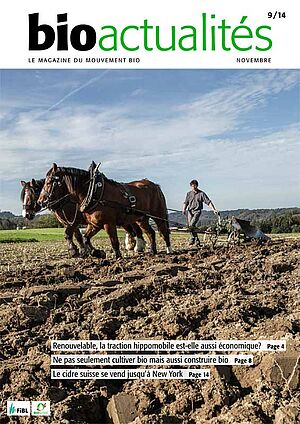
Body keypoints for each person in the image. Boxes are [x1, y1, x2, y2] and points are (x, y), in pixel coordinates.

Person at [183, 180, 219, 246]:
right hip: (190, 211)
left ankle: (192, 238)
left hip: (197, 211)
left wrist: (214, 209)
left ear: (197, 186)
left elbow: (208, 202)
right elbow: (186, 202)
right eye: (192, 186)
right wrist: (184, 209)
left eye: (194, 186)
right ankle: (197, 241)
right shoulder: (188, 194)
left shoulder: (201, 193)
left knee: (191, 225)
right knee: (190, 226)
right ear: (191, 186)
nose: (193, 187)